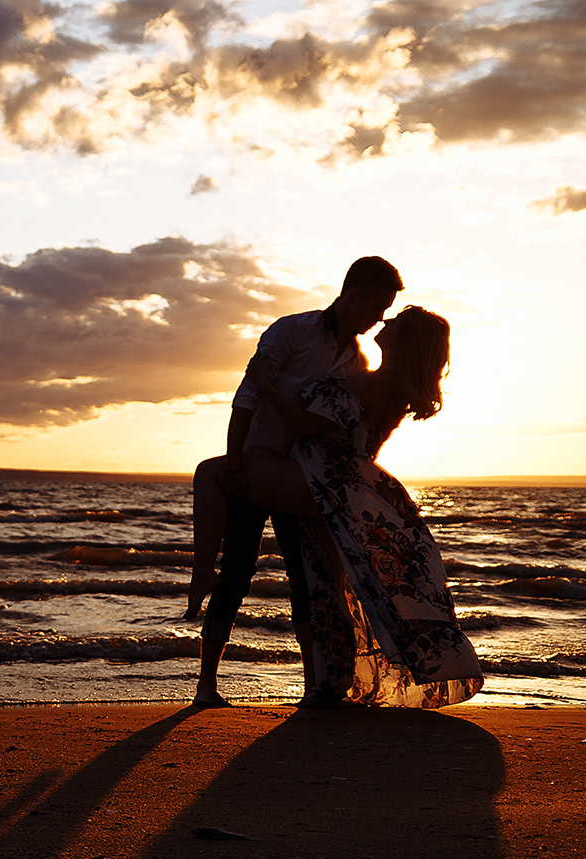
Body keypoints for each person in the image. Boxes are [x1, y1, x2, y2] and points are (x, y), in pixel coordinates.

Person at [232, 306, 483, 709]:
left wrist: (265, 384)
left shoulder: (373, 385)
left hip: (331, 484)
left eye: (394, 323)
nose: (383, 323)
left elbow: (304, 424)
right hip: (353, 487)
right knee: (339, 585)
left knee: (329, 586)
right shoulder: (388, 385)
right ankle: (330, 682)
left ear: (405, 341)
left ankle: (329, 683)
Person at [187, 256, 404, 708]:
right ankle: (205, 687)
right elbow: (246, 395)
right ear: (355, 292)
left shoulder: (354, 361)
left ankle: (313, 688)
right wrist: (233, 460)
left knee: (303, 580)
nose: (379, 317)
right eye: (377, 305)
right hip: (254, 464)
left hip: (301, 478)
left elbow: (328, 425)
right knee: (238, 572)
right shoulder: (292, 330)